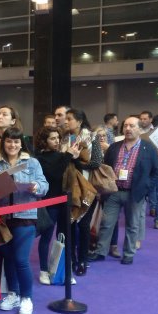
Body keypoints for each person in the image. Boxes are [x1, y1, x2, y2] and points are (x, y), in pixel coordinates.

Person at [88, 116, 158, 265]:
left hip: (135, 193)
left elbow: (155, 174)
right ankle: (101, 252)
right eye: (125, 125)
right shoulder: (114, 147)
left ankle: (128, 253)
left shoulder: (149, 148)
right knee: (107, 223)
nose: (127, 129)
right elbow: (105, 169)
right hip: (113, 192)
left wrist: (145, 189)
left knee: (132, 225)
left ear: (140, 129)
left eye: (132, 126)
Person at [0, 127, 48, 314]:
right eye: (9, 141)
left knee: (21, 259)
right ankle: (13, 294)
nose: (12, 145)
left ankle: (27, 297)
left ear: (21, 143)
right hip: (3, 218)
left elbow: (44, 185)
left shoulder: (31, 162)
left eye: (16, 142)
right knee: (8, 258)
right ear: (3, 142)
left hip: (26, 216)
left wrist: (36, 186)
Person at [34, 126, 80, 284]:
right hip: (49, 202)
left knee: (65, 236)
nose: (56, 141)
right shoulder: (39, 158)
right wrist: (68, 155)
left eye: (57, 138)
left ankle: (65, 271)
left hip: (65, 202)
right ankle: (43, 270)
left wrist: (73, 156)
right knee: (46, 236)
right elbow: (54, 174)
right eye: (52, 138)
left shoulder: (63, 155)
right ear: (44, 141)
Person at [63, 108, 102, 275]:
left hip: (87, 187)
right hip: (68, 187)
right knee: (70, 224)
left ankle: (83, 260)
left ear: (79, 121)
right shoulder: (64, 138)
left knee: (84, 225)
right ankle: (71, 258)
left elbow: (96, 162)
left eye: (69, 119)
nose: (66, 121)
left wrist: (76, 162)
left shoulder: (92, 137)